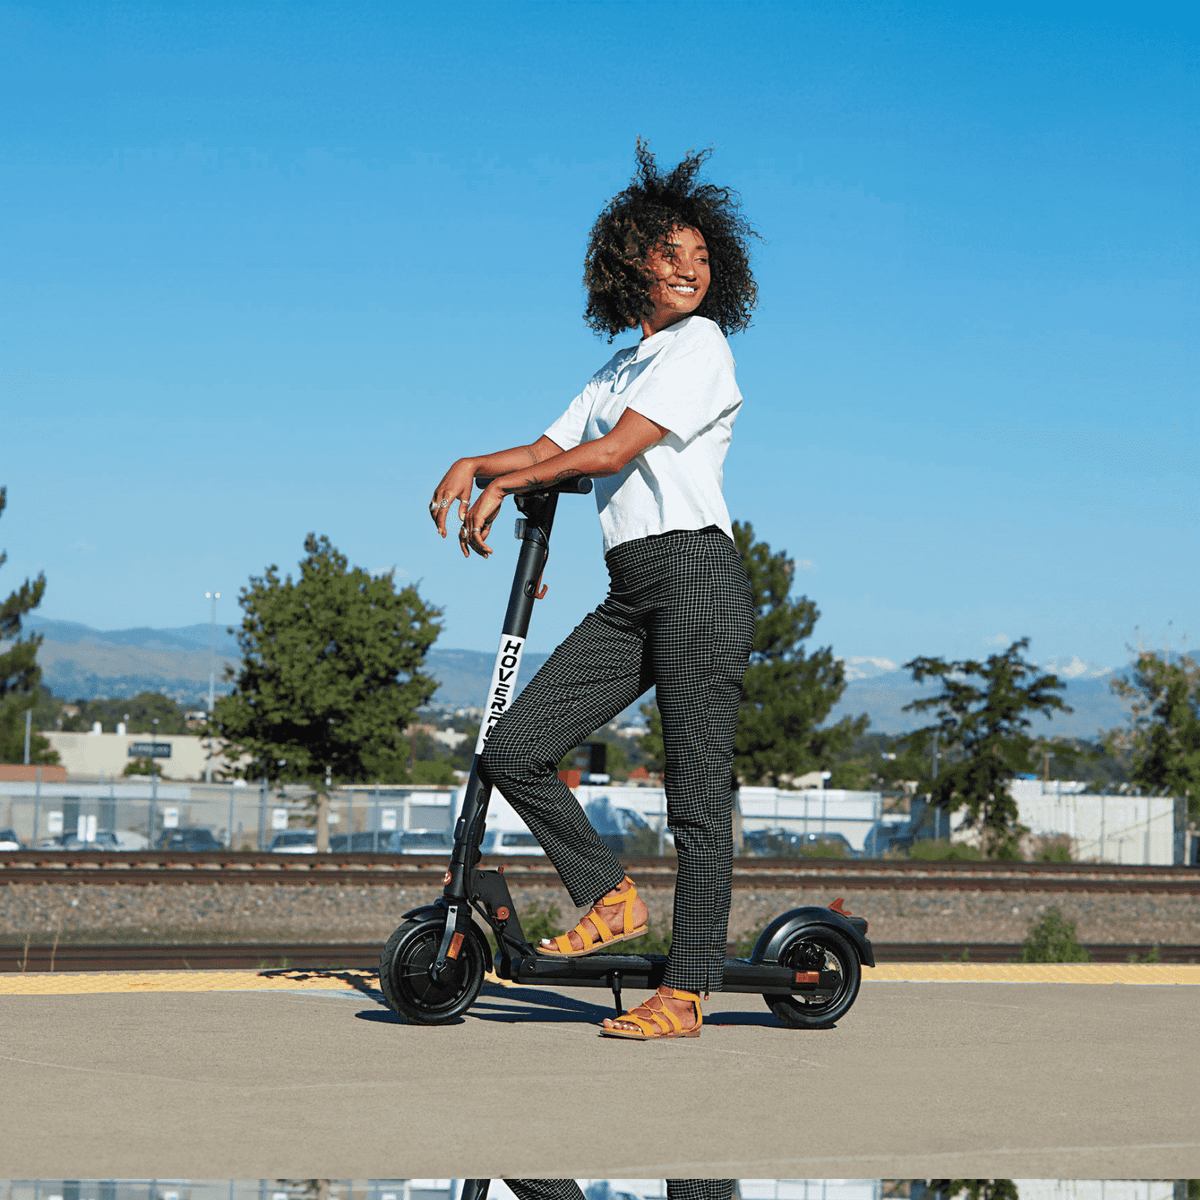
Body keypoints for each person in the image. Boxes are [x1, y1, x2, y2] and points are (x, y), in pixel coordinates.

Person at [429, 144, 758, 1040]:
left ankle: (685, 995)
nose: (689, 267)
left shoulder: (703, 348)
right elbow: (551, 449)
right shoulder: (618, 369)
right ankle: (607, 895)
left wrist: (504, 486)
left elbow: (612, 454)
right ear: (630, 265)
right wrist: (479, 461)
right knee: (515, 746)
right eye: (670, 253)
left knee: (695, 801)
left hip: (696, 579)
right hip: (631, 590)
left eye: (700, 254)